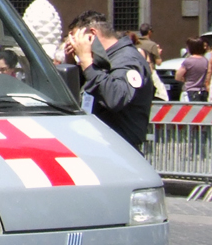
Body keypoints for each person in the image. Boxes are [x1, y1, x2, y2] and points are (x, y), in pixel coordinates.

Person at [64, 10, 153, 148]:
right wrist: (71, 61)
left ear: (92, 35)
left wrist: (86, 60)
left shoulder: (127, 59)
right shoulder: (99, 61)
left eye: (77, 40)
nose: (76, 46)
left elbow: (115, 98)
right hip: (98, 146)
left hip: (121, 150)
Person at [176, 37, 210, 102]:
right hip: (202, 91)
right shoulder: (205, 61)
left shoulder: (188, 61)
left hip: (190, 91)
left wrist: (184, 78)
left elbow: (178, 77)